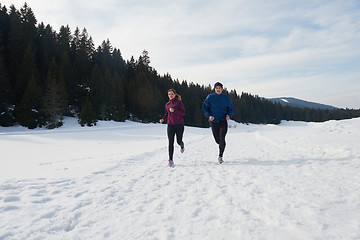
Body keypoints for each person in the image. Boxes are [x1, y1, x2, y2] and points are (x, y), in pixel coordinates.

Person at [202, 82, 234, 164]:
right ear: (214, 89)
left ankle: (220, 156)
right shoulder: (210, 97)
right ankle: (221, 146)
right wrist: (209, 115)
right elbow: (205, 107)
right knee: (217, 140)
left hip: (223, 120)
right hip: (214, 121)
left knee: (222, 138)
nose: (218, 89)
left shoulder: (225, 98)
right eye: (217, 88)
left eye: (220, 88)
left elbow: (230, 108)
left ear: (222, 89)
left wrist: (228, 115)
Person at [160, 89, 186, 167]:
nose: (170, 95)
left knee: (178, 141)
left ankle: (182, 145)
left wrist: (174, 111)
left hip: (179, 125)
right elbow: (167, 114)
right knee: (170, 142)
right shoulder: (167, 104)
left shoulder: (179, 102)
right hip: (170, 125)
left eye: (172, 94)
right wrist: (163, 119)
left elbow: (183, 112)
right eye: (169, 94)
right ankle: (170, 160)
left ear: (175, 94)